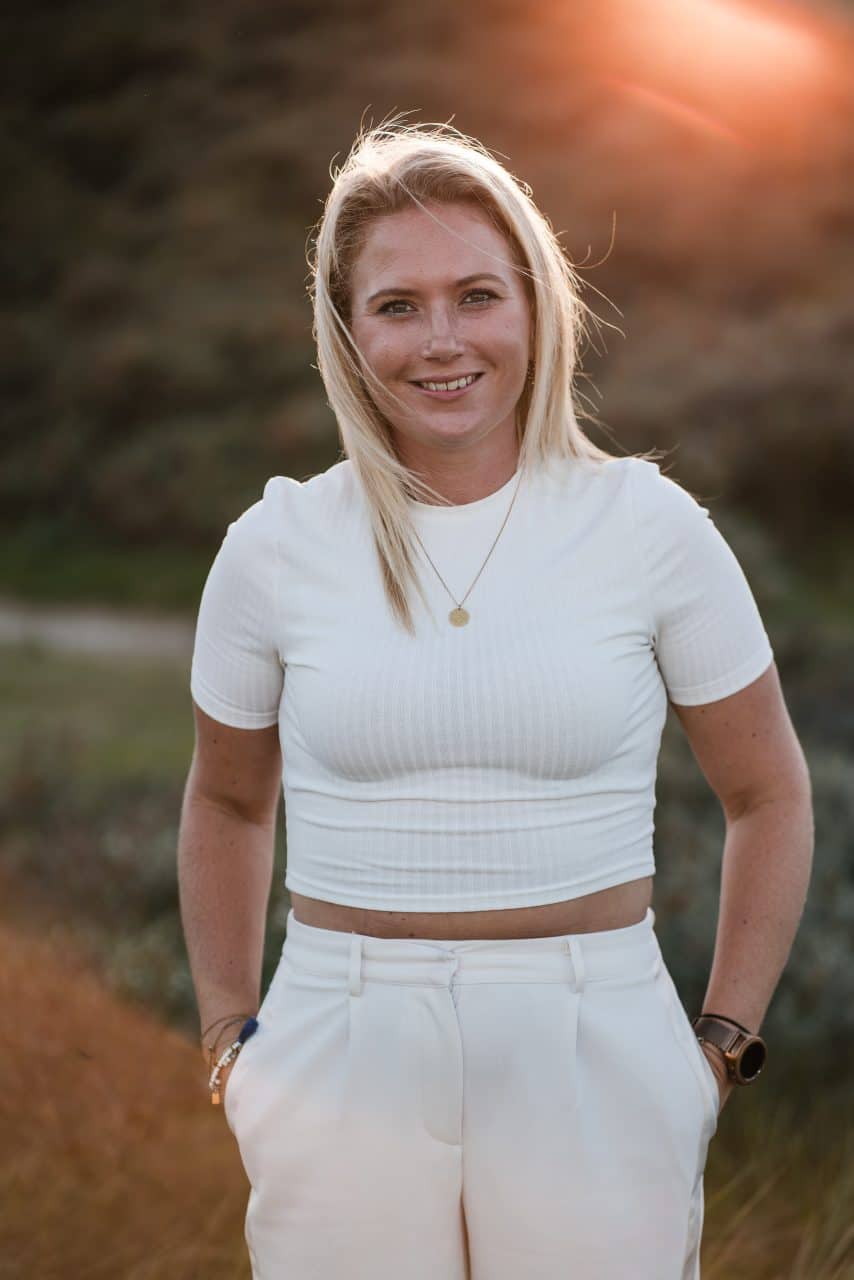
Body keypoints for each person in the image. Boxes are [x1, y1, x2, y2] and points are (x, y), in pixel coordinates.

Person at [178, 117, 813, 1279]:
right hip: (337, 1044)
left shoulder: (647, 527)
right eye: (396, 305)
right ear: (345, 328)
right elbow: (225, 802)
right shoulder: (274, 545)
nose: (442, 340)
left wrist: (717, 1046)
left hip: (595, 1043)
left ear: (533, 306)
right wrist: (230, 1039)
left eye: (476, 295)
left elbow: (767, 789)